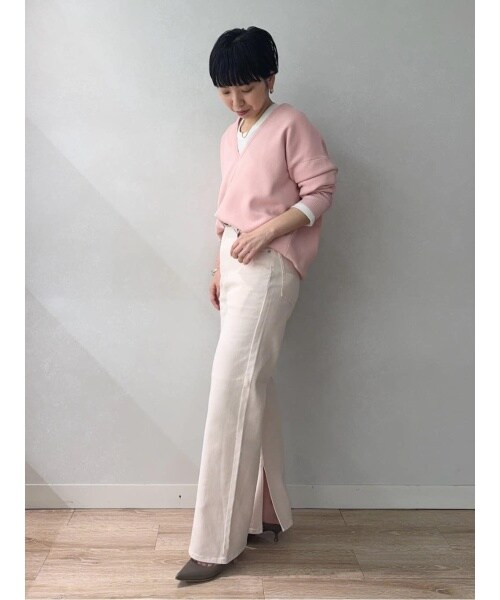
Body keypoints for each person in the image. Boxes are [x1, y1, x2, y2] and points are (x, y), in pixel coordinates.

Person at [175, 26, 338, 583]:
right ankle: (264, 512)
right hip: (236, 263)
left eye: (245, 87)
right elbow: (227, 210)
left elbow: (320, 192)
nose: (236, 100)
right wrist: (219, 266)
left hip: (271, 266)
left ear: (270, 77)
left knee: (232, 391)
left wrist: (266, 233)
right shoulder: (231, 136)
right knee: (251, 387)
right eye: (225, 91)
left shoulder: (291, 124)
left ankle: (215, 544)